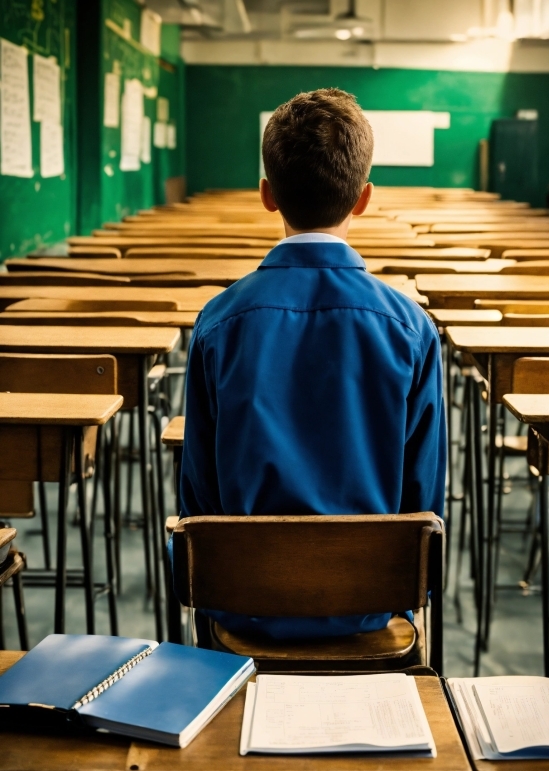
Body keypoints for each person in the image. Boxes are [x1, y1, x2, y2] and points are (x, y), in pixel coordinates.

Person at [177, 87, 446, 642]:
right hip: (373, 600)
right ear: (364, 198)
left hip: (241, 600)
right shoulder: (412, 327)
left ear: (266, 194)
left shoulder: (218, 321)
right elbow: (424, 502)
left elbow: (199, 494)